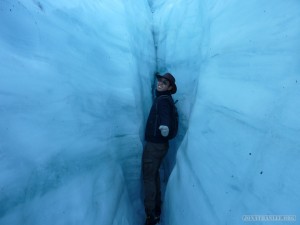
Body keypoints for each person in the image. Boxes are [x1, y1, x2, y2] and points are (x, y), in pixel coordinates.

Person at [142, 72, 177, 225]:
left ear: (170, 87)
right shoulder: (164, 98)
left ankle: (150, 215)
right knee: (154, 174)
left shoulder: (162, 100)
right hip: (159, 145)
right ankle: (157, 208)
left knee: (149, 177)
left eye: (164, 82)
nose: (160, 84)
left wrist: (165, 126)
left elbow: (164, 116)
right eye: (160, 81)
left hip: (155, 145)